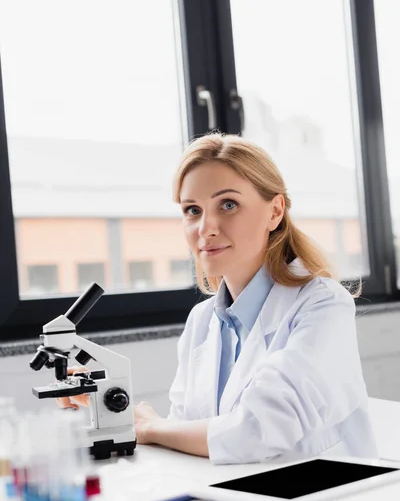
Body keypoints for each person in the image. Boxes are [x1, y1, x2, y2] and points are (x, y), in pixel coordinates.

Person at [59, 133, 377, 464]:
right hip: (233, 500)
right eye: (192, 210)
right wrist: (115, 409)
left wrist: (153, 428)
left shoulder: (323, 305)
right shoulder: (201, 320)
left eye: (228, 205)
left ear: (275, 211)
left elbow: (255, 432)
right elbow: (190, 435)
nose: (206, 228)